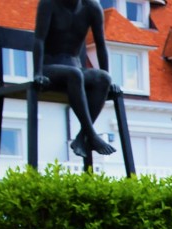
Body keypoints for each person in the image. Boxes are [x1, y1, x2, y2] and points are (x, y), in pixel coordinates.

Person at [33, 0, 118, 158]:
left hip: (75, 67)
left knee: (103, 78)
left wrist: (108, 79)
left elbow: (101, 44)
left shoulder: (92, 7)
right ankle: (91, 135)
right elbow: (39, 39)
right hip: (49, 67)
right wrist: (37, 73)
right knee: (75, 74)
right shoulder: (49, 3)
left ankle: (81, 136)